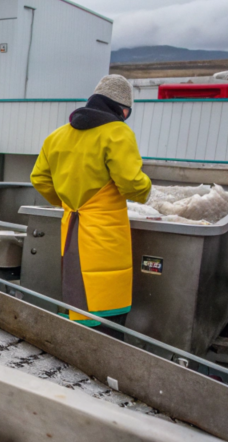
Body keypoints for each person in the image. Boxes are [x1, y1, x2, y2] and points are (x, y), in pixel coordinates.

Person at [30, 74, 151, 339]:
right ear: (121, 108)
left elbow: (38, 178)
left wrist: (66, 203)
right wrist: (148, 192)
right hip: (105, 235)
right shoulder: (117, 133)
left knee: (79, 302)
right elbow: (132, 183)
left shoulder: (57, 136)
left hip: (71, 230)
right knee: (107, 312)